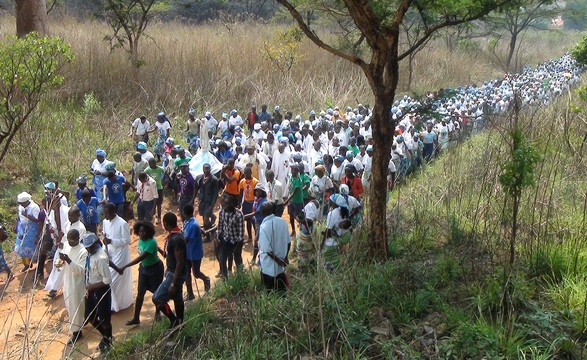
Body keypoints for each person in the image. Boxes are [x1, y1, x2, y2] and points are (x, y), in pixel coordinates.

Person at [118, 221, 164, 325]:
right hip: (144, 270)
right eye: (140, 231)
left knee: (156, 293)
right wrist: (160, 251)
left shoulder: (151, 242)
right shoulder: (142, 240)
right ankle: (136, 318)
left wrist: (124, 267)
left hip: (155, 270)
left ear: (148, 232)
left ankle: (158, 312)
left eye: (143, 232)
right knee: (140, 294)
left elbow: (140, 257)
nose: (141, 234)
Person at [153, 212, 187, 329]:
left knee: (157, 298)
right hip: (173, 272)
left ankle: (174, 321)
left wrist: (172, 282)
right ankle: (180, 322)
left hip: (175, 274)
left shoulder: (176, 238)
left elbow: (180, 262)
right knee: (177, 298)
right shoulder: (174, 236)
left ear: (165, 224)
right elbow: (169, 255)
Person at [82, 233, 113, 354]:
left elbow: (107, 280)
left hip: (101, 291)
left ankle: (108, 341)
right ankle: (105, 336)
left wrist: (92, 286)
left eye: (89, 246)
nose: (87, 249)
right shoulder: (89, 255)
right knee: (90, 317)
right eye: (86, 246)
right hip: (91, 290)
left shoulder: (100, 258)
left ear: (95, 244)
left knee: (104, 319)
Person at [102, 203, 133, 312]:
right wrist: (105, 246)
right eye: (104, 213)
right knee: (107, 277)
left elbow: (127, 240)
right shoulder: (105, 222)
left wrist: (112, 241)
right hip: (110, 253)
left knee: (114, 279)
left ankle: (120, 304)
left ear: (113, 212)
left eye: (107, 214)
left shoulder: (122, 223)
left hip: (121, 254)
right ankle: (112, 305)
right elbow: (105, 235)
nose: (105, 216)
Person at [58, 229, 87, 346]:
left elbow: (81, 270)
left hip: (77, 284)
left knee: (76, 306)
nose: (69, 243)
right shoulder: (66, 245)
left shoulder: (83, 251)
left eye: (72, 240)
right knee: (70, 305)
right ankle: (80, 323)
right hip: (68, 281)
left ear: (77, 239)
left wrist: (68, 260)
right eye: (68, 240)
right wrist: (60, 262)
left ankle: (77, 332)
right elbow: (62, 260)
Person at [258, 202, 289, 291]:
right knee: (282, 293)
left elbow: (267, 250)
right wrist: (285, 258)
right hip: (281, 268)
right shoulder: (282, 222)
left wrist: (279, 261)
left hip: (269, 269)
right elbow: (288, 242)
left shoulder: (263, 227)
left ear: (262, 212)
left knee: (270, 293)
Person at [182, 204, 210, 300]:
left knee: (196, 273)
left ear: (184, 213)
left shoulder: (193, 224)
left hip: (195, 253)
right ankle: (190, 293)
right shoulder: (187, 222)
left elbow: (186, 239)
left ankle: (206, 279)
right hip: (187, 252)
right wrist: (204, 232)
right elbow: (199, 229)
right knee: (186, 273)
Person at [322, 194, 352, 271]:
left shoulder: (332, 214)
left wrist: (321, 243)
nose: (329, 201)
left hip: (331, 244)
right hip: (341, 241)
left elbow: (328, 231)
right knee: (337, 262)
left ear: (334, 203)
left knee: (329, 265)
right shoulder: (344, 211)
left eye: (330, 200)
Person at [217, 195, 244, 278]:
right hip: (225, 239)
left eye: (227, 205)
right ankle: (225, 278)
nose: (225, 207)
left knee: (238, 260)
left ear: (232, 204)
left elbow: (241, 233)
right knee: (222, 259)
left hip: (235, 241)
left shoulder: (239, 215)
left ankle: (241, 277)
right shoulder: (222, 212)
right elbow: (220, 225)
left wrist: (238, 246)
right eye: (224, 205)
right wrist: (219, 236)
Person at [15, 192, 43, 272]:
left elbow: (38, 220)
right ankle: (26, 264)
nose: (21, 205)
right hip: (22, 228)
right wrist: (17, 226)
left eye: (22, 203)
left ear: (27, 201)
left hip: (32, 229)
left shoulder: (34, 207)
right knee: (20, 247)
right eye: (20, 203)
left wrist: (27, 215)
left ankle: (37, 264)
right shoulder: (21, 206)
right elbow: (19, 217)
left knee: (32, 247)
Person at [244, 183, 268, 265]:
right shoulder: (256, 199)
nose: (257, 193)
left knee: (257, 240)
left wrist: (245, 216)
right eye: (256, 191)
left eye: (259, 191)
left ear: (262, 192)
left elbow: (256, 212)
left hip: (262, 222)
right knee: (259, 239)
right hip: (257, 220)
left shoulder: (264, 201)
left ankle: (255, 259)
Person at [195, 163, 221, 236]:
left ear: (210, 170)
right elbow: (197, 188)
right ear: (203, 170)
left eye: (208, 170)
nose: (206, 171)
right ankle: (212, 218)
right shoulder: (200, 178)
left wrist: (212, 205)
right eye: (205, 170)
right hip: (202, 200)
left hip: (209, 201)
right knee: (203, 215)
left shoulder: (214, 180)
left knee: (206, 218)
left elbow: (216, 194)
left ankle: (209, 234)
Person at [285, 164, 310, 238]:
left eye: (293, 170)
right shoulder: (291, 177)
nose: (292, 171)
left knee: (298, 217)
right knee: (291, 215)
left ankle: (305, 229)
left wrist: (287, 200)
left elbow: (294, 192)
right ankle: (293, 230)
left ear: (297, 171)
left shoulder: (298, 179)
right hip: (291, 200)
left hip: (297, 201)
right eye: (291, 169)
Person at [238, 166, 259, 243]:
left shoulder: (256, 182)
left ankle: (257, 238)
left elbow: (257, 195)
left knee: (254, 221)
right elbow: (241, 193)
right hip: (246, 203)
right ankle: (250, 237)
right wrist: (239, 203)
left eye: (247, 174)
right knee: (247, 220)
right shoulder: (242, 181)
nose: (245, 176)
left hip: (253, 203)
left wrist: (256, 204)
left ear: (250, 173)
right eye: (244, 174)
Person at [145, 157, 165, 224]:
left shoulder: (160, 169)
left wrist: (166, 182)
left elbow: (166, 173)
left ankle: (159, 217)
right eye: (150, 164)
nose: (151, 165)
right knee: (151, 203)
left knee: (158, 204)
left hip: (159, 188)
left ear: (155, 163)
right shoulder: (147, 170)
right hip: (151, 189)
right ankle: (151, 217)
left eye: (152, 164)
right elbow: (143, 176)